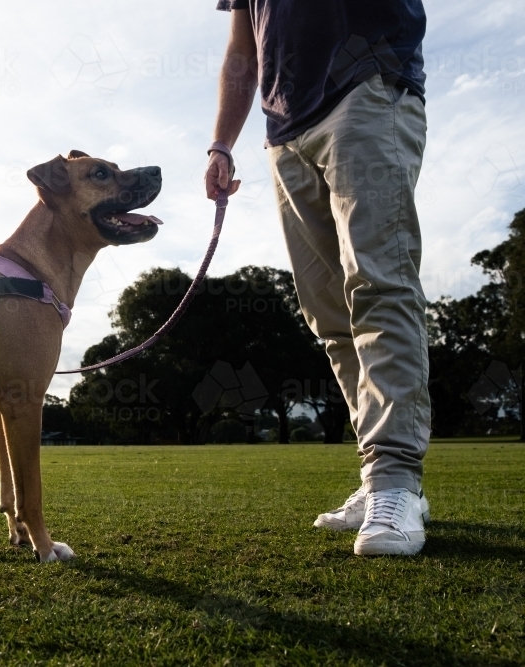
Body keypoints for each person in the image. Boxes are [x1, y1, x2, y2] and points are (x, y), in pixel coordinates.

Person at [206, 0, 432, 555]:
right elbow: (243, 49)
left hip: (366, 87)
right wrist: (222, 143)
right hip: (284, 129)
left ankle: (395, 478)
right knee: (329, 314)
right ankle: (376, 472)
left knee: (379, 287)